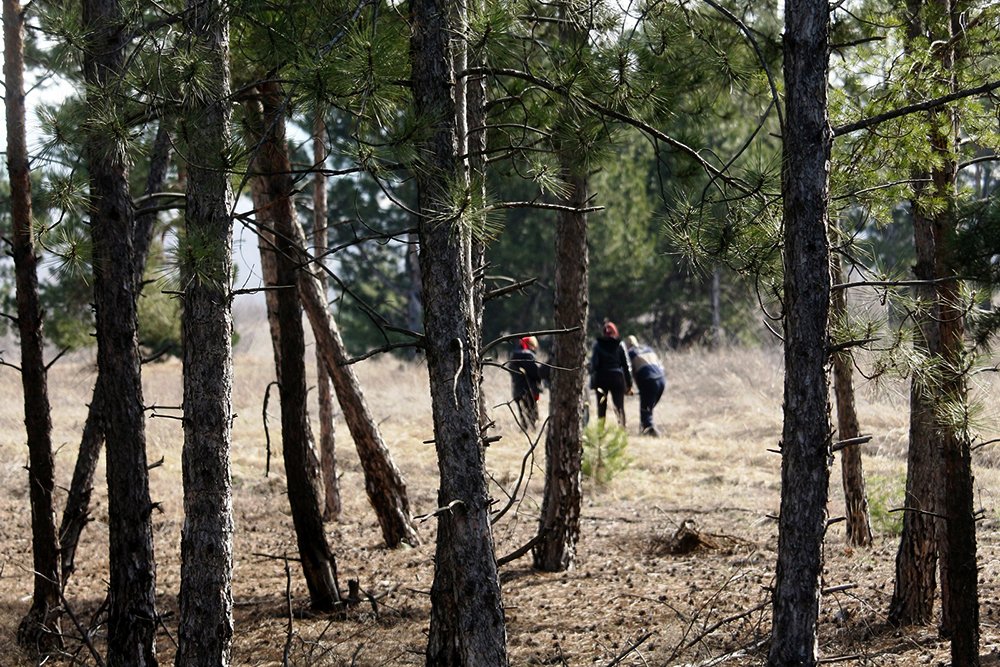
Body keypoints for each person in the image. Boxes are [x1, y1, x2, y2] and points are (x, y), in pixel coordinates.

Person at [589, 321, 632, 427]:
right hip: (617, 378)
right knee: (619, 407)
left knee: (601, 407)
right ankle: (622, 430)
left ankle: (600, 432)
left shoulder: (598, 345)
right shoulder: (620, 344)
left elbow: (594, 365)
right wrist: (629, 384)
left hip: (601, 378)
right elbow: (626, 365)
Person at [625, 335, 666, 436]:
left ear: (628, 345)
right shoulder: (648, 349)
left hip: (648, 380)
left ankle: (650, 433)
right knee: (648, 408)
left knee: (645, 411)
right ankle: (646, 430)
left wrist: (628, 387)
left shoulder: (630, 353)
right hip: (661, 380)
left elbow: (628, 372)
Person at [509, 336, 542, 428]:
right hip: (529, 389)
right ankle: (532, 429)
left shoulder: (514, 356)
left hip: (517, 389)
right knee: (532, 413)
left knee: (522, 414)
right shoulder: (527, 355)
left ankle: (524, 428)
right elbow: (536, 373)